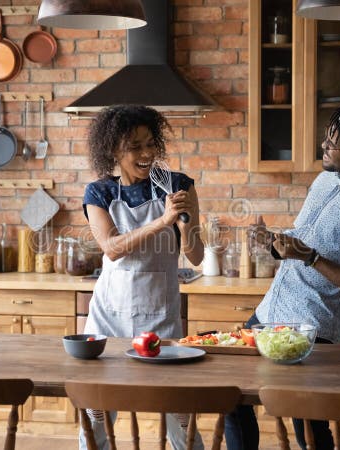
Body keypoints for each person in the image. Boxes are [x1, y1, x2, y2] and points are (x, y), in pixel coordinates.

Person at [224, 100, 340, 450]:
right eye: (327, 136)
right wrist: (273, 243)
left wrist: (308, 256)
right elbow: (305, 240)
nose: (323, 145)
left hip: (315, 328)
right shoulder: (327, 179)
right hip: (270, 314)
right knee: (233, 399)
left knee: (307, 424)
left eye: (333, 142)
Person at [81, 104, 205, 450]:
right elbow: (112, 248)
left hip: (160, 317)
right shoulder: (99, 193)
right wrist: (163, 221)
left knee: (180, 412)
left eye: (150, 144)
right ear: (113, 150)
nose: (147, 153)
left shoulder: (178, 185)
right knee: (98, 413)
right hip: (110, 318)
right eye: (135, 146)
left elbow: (196, 257)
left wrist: (184, 223)